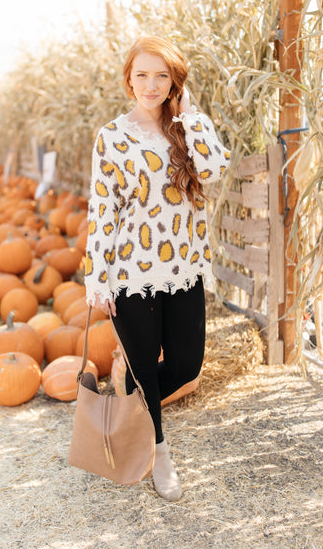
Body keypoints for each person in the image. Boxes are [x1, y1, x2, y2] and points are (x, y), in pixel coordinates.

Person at [84, 35, 230, 501]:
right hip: (130, 271)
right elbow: (102, 209)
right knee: (145, 367)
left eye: (161, 76)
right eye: (142, 75)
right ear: (129, 79)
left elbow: (213, 171)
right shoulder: (112, 136)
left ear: (174, 83)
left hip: (182, 266)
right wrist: (96, 277)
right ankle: (159, 449)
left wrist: (188, 116)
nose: (150, 85)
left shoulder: (187, 127)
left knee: (187, 364)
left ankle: (131, 404)